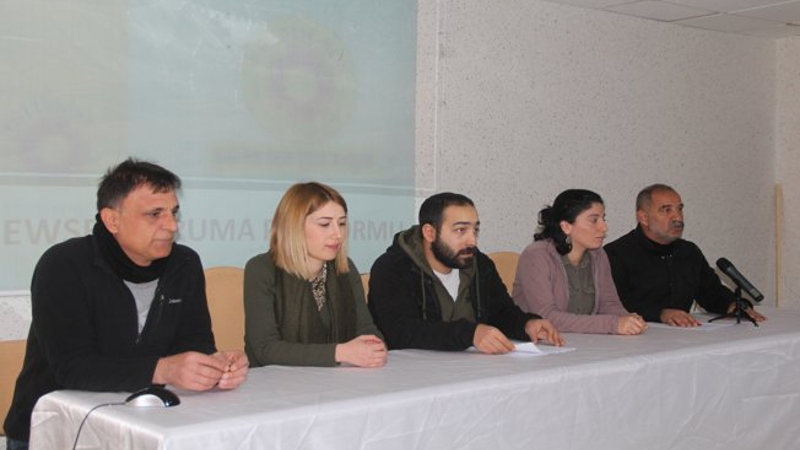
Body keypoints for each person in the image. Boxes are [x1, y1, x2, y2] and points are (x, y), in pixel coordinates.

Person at [3, 159, 248, 449]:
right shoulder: (64, 265)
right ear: (112, 220)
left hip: (146, 423)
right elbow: (73, 368)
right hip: (55, 430)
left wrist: (216, 365)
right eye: (154, 214)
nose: (171, 226)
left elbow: (194, 342)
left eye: (173, 213)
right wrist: (164, 369)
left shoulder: (185, 263)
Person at [368, 192, 563, 354]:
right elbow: (401, 332)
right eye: (460, 230)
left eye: (475, 230)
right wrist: (470, 334)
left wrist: (526, 323)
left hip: (472, 370)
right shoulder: (392, 268)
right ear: (429, 233)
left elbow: (501, 312)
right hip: (412, 375)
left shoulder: (480, 264)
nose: (472, 241)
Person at [243, 182, 386, 368]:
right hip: (274, 381)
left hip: (338, 379)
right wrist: (340, 352)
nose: (338, 234)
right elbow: (266, 349)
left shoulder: (345, 268)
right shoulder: (261, 269)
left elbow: (366, 329)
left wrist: (375, 347)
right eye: (325, 224)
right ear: (294, 226)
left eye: (342, 223)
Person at [604, 183, 766, 327]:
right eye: (667, 210)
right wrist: (660, 314)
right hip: (634, 340)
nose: (678, 217)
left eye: (679, 209)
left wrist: (732, 305)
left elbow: (710, 292)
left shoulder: (689, 251)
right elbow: (611, 305)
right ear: (643, 217)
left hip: (684, 338)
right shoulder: (616, 254)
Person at [512, 189, 647, 335]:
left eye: (603, 219)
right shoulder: (537, 255)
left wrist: (627, 318)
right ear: (566, 226)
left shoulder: (598, 255)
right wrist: (613, 324)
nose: (604, 228)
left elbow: (609, 304)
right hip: (541, 342)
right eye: (594, 220)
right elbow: (546, 316)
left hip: (584, 341)